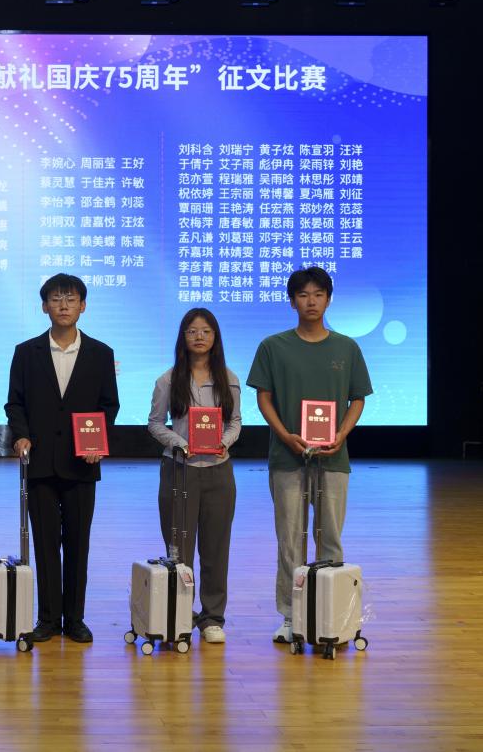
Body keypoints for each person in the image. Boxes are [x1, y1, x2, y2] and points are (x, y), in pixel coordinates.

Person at [246, 266, 373, 645]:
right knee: (290, 540)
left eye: (318, 294)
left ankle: (332, 617)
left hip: (334, 458)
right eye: (303, 295)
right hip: (287, 458)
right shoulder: (273, 346)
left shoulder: (346, 348)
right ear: (292, 301)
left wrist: (341, 434)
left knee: (330, 537)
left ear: (329, 300)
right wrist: (285, 436)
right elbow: (264, 397)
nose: (311, 301)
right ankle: (291, 615)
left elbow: (358, 399)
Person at [5, 273, 119, 643]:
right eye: (56, 299)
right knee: (45, 543)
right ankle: (48, 618)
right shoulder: (26, 352)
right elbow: (15, 403)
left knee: (78, 543)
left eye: (71, 299)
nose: (63, 305)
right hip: (39, 462)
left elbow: (108, 405)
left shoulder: (101, 353)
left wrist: (98, 442)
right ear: (44, 306)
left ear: (83, 306)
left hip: (82, 463)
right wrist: (21, 435)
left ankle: (75, 618)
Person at [146, 308, 242, 645]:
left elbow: (235, 422)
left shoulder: (228, 378)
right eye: (192, 331)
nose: (199, 337)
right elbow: (155, 423)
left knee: (216, 548)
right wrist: (180, 443)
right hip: (179, 470)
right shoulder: (168, 380)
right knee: (179, 548)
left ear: (215, 337)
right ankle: (180, 614)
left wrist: (224, 442)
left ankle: (212, 617)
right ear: (182, 337)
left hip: (218, 470)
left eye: (206, 331)